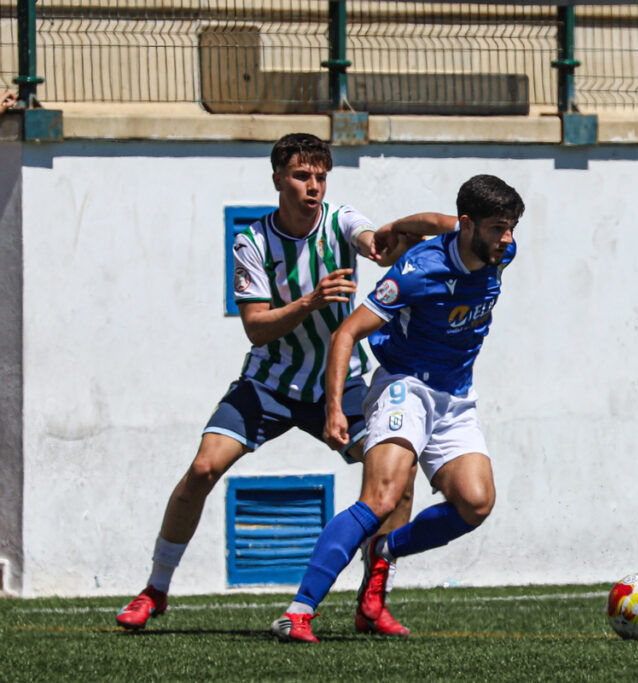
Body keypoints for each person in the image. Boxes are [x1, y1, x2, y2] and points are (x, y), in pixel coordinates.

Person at [116, 133, 453, 636]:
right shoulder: (251, 241)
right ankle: (156, 589)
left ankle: (372, 599)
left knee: (396, 479)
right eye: (301, 176)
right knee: (204, 469)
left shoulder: (341, 220)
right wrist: (310, 302)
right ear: (277, 179)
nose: (313, 186)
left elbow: (370, 241)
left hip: (345, 382)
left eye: (320, 176)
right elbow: (255, 326)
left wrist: (390, 241)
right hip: (270, 383)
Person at [268, 173, 523, 643]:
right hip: (404, 386)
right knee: (382, 497)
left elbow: (432, 218)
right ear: (468, 225)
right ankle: (298, 611)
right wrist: (334, 411)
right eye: (498, 228)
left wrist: (392, 225)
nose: (508, 239)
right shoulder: (418, 269)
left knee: (476, 503)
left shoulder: (497, 251)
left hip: (456, 396)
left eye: (511, 227)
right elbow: (346, 334)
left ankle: (384, 550)